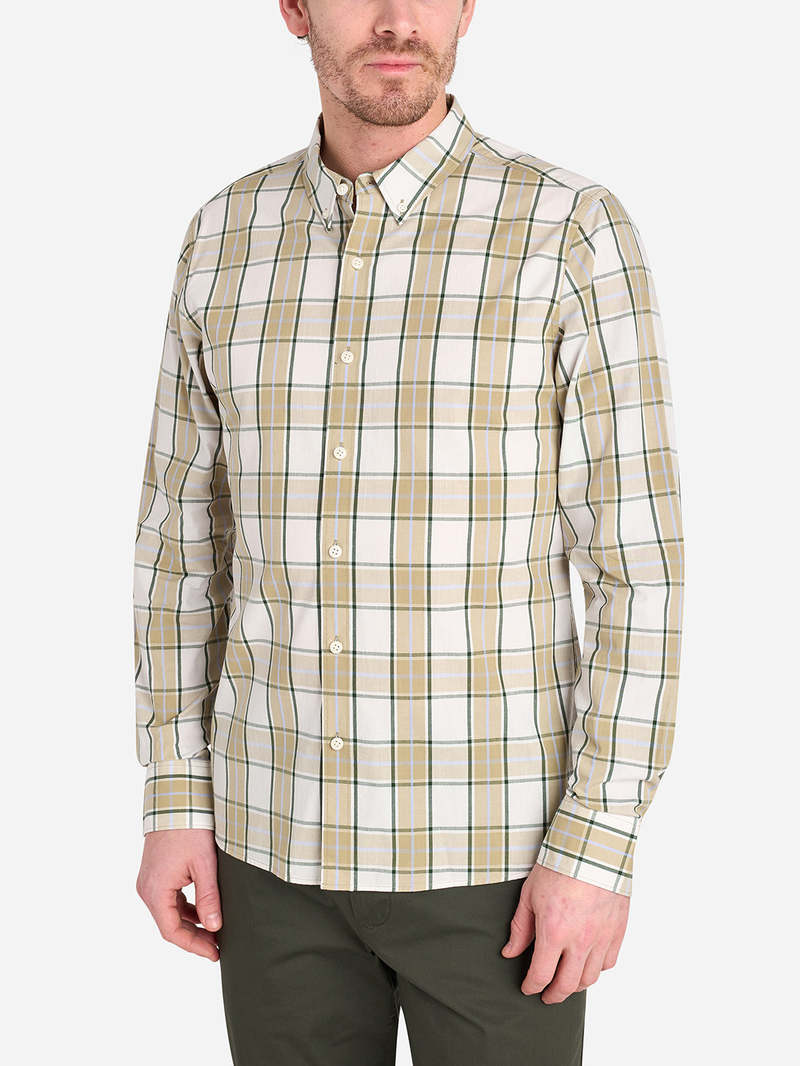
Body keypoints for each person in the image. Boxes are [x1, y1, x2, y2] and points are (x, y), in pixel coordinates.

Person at [132, 2, 685, 1063]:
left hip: (499, 866)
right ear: (294, 8)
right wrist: (173, 795)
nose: (396, 19)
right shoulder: (223, 235)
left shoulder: (569, 230)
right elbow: (180, 547)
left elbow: (639, 568)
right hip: (265, 849)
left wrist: (598, 842)